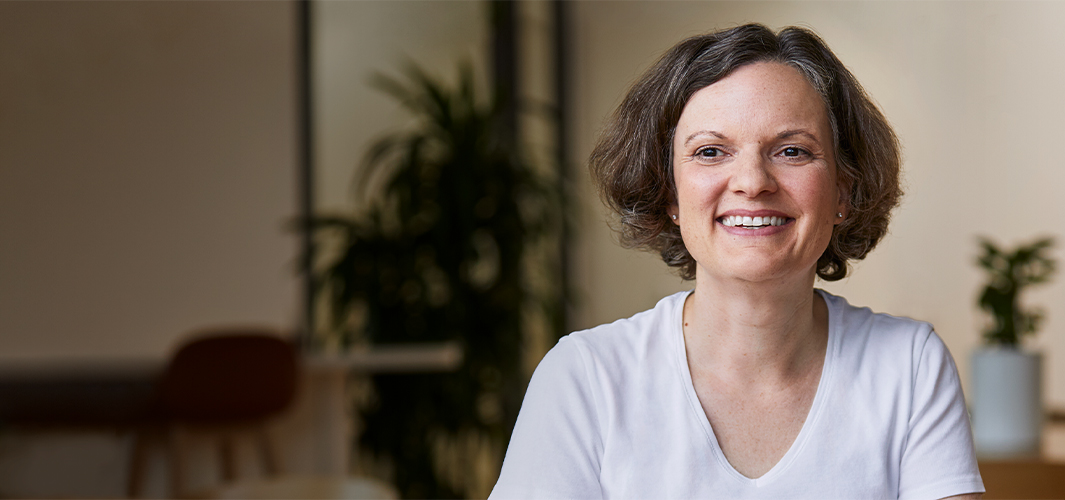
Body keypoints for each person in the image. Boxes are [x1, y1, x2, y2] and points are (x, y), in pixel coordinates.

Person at [489, 24, 984, 500]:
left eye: (792, 151)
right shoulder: (584, 378)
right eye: (710, 151)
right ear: (670, 193)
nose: (752, 182)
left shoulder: (910, 367)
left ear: (843, 192)